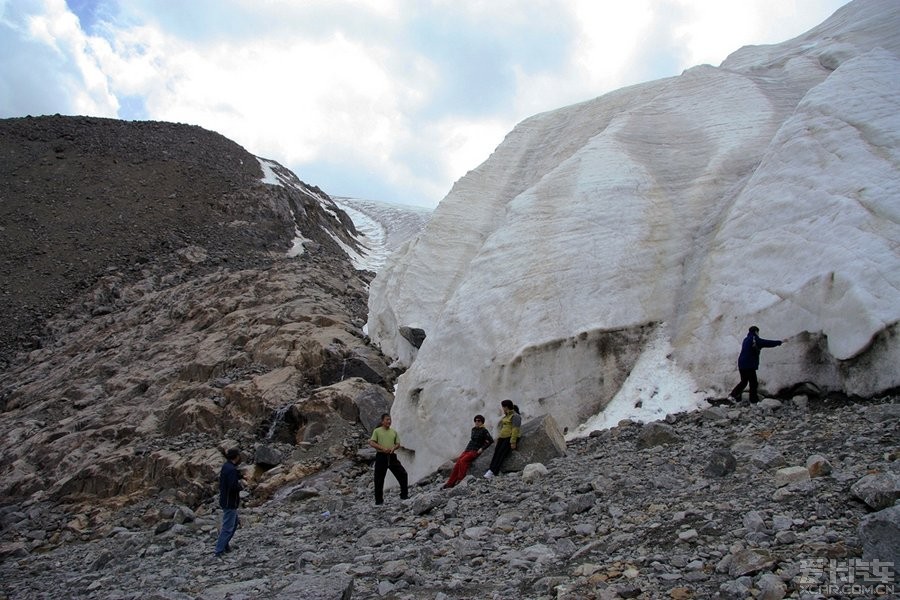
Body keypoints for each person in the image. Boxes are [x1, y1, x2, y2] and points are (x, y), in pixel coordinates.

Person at [730, 325, 783, 403]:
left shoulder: (746, 339)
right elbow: (766, 343)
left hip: (742, 364)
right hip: (749, 365)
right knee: (753, 382)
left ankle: (733, 396)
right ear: (756, 332)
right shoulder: (754, 339)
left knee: (744, 381)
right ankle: (754, 400)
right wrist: (779, 342)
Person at [443, 414, 494, 489]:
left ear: (482, 422)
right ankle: (450, 483)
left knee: (463, 461)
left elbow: (490, 440)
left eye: (479, 421)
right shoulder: (473, 429)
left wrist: (482, 448)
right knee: (457, 464)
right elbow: (472, 440)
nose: (477, 422)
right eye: (475, 421)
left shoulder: (484, 430)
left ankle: (460, 479)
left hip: (475, 450)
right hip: (468, 449)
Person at [368, 413, 409, 505]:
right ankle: (379, 501)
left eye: (390, 420)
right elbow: (372, 442)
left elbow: (398, 444)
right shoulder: (377, 431)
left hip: (392, 456)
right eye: (387, 420)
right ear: (382, 421)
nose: (389, 421)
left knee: (403, 474)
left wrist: (394, 448)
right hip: (381, 456)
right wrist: (383, 448)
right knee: (379, 479)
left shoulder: (393, 432)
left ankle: (404, 495)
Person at [214, 448, 243, 557]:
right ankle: (219, 550)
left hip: (226, 500)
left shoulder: (227, 466)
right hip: (229, 502)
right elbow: (232, 486)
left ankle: (225, 545)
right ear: (236, 456)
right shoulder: (231, 469)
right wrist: (241, 486)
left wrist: (239, 475)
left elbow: (230, 476)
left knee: (234, 524)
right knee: (228, 527)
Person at [484, 400, 522, 479]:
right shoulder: (506, 416)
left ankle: (494, 471)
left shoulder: (515, 416)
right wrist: (499, 437)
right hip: (503, 437)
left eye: (503, 407)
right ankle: (491, 470)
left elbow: (515, 430)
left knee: (501, 454)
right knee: (496, 453)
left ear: (506, 407)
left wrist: (513, 442)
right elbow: (504, 428)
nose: (502, 409)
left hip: (509, 437)